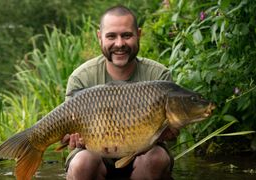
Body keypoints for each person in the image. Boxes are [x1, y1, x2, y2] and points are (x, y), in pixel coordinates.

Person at [62, 5, 179, 180]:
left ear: (138, 34)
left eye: (126, 35)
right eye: (111, 36)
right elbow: (67, 135)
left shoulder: (158, 75)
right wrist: (71, 138)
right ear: (99, 37)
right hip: (95, 155)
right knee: (82, 163)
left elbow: (171, 134)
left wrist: (172, 131)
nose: (119, 44)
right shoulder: (82, 77)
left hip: (144, 154)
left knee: (157, 159)